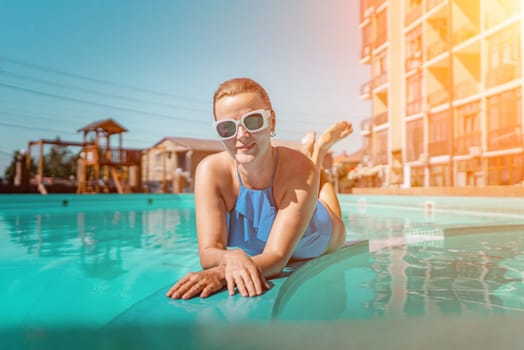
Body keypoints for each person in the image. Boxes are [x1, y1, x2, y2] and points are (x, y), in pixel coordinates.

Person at [166, 77, 352, 300]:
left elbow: (277, 257)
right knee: (305, 171)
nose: (242, 135)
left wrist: (220, 273)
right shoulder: (210, 171)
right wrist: (231, 257)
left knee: (313, 178)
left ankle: (319, 151)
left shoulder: (299, 170)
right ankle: (314, 153)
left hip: (316, 233)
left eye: (253, 121)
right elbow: (208, 251)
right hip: (292, 181)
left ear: (271, 121)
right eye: (227, 128)